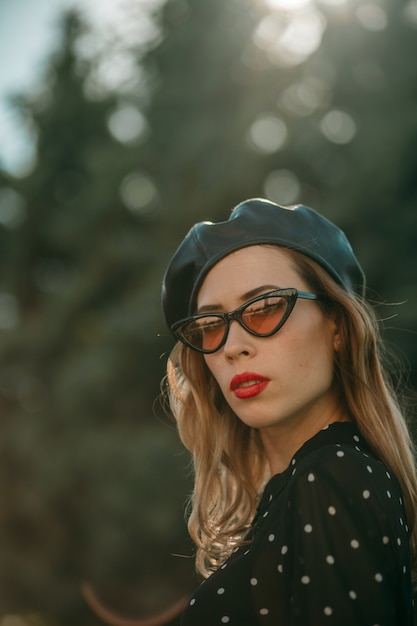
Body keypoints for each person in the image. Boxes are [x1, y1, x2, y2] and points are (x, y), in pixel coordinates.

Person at [161, 198, 417, 625]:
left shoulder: (334, 475)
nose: (231, 346)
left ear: (337, 325)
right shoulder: (303, 489)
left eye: (265, 308)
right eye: (209, 325)